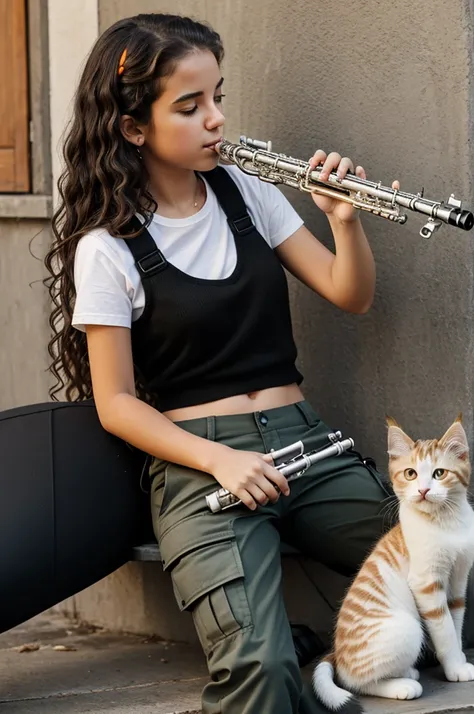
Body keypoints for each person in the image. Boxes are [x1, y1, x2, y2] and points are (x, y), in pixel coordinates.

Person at [45, 12, 398, 714]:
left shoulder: (248, 192)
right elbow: (116, 404)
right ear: (131, 127)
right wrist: (219, 462)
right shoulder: (107, 248)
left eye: (218, 98)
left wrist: (345, 218)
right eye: (190, 105)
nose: (216, 120)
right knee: (259, 679)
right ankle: (278, 645)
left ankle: (320, 648)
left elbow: (347, 294)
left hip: (306, 443)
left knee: (460, 583)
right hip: (199, 463)